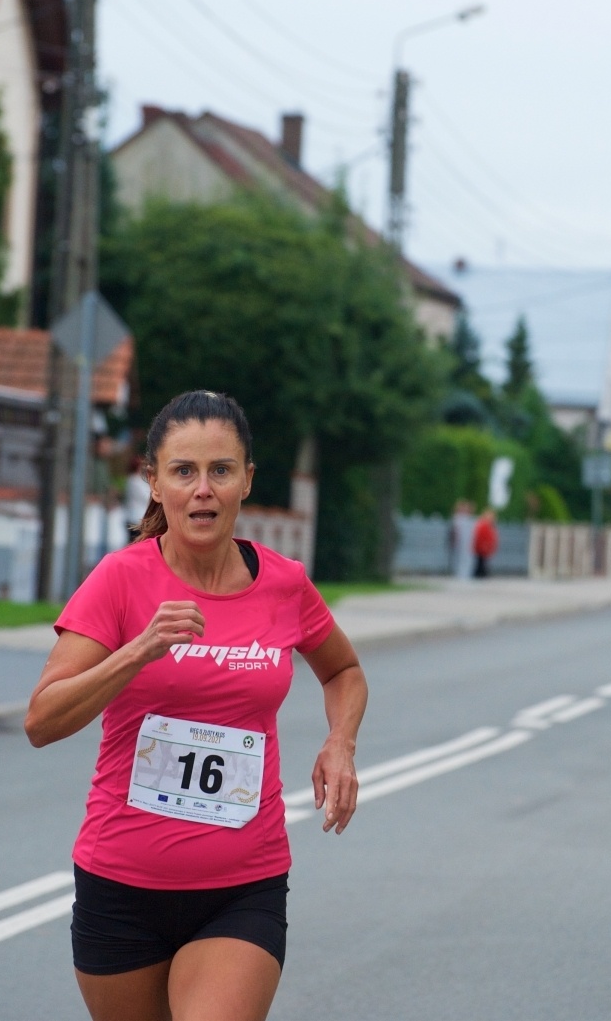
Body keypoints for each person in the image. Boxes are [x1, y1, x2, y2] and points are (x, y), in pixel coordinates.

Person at [25, 391, 367, 1021]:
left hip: (242, 887)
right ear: (154, 483)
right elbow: (41, 722)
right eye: (183, 471)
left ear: (246, 482)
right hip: (121, 886)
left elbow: (343, 670)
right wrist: (138, 650)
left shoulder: (285, 583)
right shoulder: (120, 580)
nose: (202, 489)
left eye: (220, 470)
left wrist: (339, 742)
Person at [472, 508, 499, 578]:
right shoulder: (483, 525)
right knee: (481, 562)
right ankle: (480, 574)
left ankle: (481, 573)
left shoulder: (488, 525)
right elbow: (481, 536)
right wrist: (485, 545)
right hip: (482, 547)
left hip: (485, 547)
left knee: (482, 562)